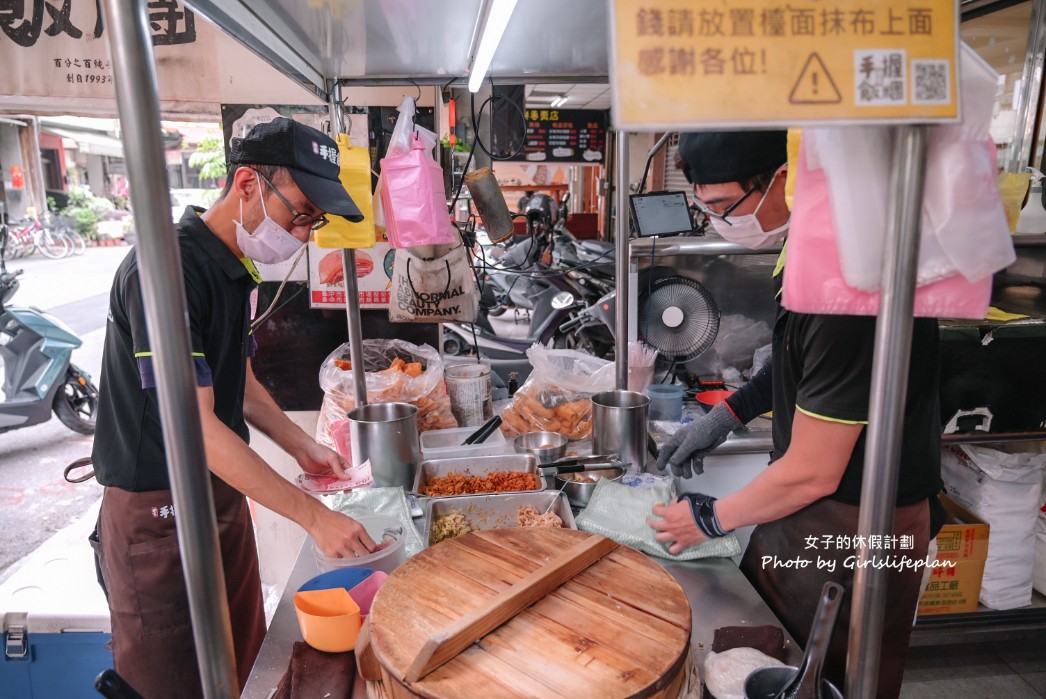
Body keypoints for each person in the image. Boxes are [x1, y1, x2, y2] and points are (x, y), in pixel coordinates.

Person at [648, 130, 944, 699]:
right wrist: (723, 416)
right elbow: (792, 366)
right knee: (770, 651)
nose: (716, 222)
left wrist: (709, 519)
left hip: (863, 523)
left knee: (840, 676)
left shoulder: (851, 284)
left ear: (780, 179)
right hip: (806, 507)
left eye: (721, 207)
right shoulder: (808, 247)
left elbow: (814, 469)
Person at [91, 117, 376, 699]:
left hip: (220, 496)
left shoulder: (231, 269)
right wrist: (314, 517)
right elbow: (192, 427)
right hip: (158, 517)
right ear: (247, 184)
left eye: (313, 223)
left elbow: (236, 382)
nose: (302, 235)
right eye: (300, 213)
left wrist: (304, 447)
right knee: (177, 683)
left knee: (247, 669)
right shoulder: (164, 272)